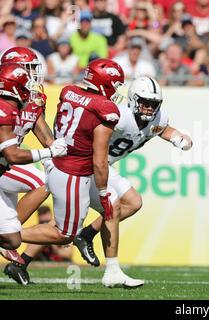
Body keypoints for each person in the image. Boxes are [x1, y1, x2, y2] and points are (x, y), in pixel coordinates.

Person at [4, 58, 135, 288]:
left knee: (112, 206)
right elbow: (99, 160)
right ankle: (8, 235)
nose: (116, 90)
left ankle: (112, 271)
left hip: (61, 162)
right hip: (73, 172)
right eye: (114, 84)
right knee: (64, 233)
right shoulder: (105, 109)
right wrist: (103, 191)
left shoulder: (69, 91)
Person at [71, 76, 192, 277]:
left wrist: (180, 137)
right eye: (144, 103)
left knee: (134, 202)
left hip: (105, 165)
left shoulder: (158, 118)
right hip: (90, 163)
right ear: (133, 99)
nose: (148, 109)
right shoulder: (119, 115)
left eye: (153, 104)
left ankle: (87, 234)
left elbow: (162, 129)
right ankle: (23, 256)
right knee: (69, 220)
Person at [0, 62, 66, 260]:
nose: (32, 77)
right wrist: (49, 153)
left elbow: (47, 138)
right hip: (6, 162)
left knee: (12, 239)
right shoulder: (5, 106)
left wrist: (62, 150)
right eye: (27, 70)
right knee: (42, 182)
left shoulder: (29, 102)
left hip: (5, 165)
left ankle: (7, 231)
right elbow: (12, 153)